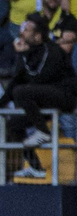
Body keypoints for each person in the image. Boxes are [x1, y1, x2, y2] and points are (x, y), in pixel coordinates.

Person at [4, 12, 76, 179]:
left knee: (21, 92)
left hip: (65, 96)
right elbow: (17, 78)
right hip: (44, 100)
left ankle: (42, 131)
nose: (22, 32)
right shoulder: (30, 52)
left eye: (27, 29)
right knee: (13, 125)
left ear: (37, 36)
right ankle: (35, 167)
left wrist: (24, 55)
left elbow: (39, 79)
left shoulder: (52, 51)